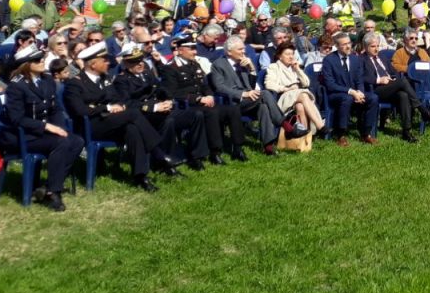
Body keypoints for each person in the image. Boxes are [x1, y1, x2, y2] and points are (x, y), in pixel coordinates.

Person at [63, 42, 178, 191]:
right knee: (133, 113)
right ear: (93, 64)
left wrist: (118, 106)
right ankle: (159, 154)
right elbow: (79, 111)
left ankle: (140, 176)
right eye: (104, 60)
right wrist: (107, 107)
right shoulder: (75, 83)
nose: (108, 62)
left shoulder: (105, 79)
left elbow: (118, 99)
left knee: (132, 129)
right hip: (91, 126)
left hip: (111, 121)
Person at [2, 49, 85, 212]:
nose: (41, 61)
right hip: (24, 135)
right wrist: (47, 127)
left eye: (41, 58)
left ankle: (47, 186)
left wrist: (59, 128)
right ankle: (54, 193)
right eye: (36, 60)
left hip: (43, 133)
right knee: (60, 143)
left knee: (77, 141)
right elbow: (16, 119)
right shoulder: (16, 86)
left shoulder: (47, 80)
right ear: (26, 65)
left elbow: (55, 109)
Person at [159, 34, 241, 164]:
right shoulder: (170, 68)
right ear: (180, 50)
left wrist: (209, 95)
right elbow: (172, 93)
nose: (195, 52)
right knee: (211, 112)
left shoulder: (195, 64)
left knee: (232, 109)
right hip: (186, 105)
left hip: (203, 101)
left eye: (195, 48)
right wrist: (198, 99)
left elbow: (204, 85)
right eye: (191, 49)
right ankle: (215, 151)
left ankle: (237, 147)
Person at [207, 35, 283, 156]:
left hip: (248, 101)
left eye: (244, 48)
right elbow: (220, 87)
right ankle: (284, 123)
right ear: (229, 52)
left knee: (263, 107)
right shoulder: (218, 64)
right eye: (240, 49)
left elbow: (250, 86)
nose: (244, 51)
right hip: (232, 102)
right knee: (265, 93)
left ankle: (268, 146)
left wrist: (251, 68)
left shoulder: (242, 63)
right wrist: (243, 94)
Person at [363, 33, 430, 143]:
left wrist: (393, 78)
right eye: (373, 46)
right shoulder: (361, 60)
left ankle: (406, 132)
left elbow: (394, 71)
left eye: (377, 46)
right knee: (403, 81)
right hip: (375, 89)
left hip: (390, 87)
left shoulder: (382, 57)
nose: (376, 49)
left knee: (403, 95)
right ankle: (422, 110)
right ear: (365, 47)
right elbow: (361, 78)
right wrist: (379, 80)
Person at [320, 33, 378, 146]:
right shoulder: (329, 60)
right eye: (344, 44)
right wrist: (351, 92)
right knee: (347, 99)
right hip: (336, 94)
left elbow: (359, 79)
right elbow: (330, 84)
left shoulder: (355, 58)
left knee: (373, 98)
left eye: (349, 43)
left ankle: (366, 133)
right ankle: (341, 134)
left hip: (355, 92)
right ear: (337, 46)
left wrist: (360, 92)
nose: (348, 46)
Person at [264, 43, 326, 136]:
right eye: (287, 54)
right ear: (280, 56)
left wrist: (298, 70)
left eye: (292, 54)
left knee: (300, 106)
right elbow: (269, 84)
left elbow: (306, 83)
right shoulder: (274, 67)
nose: (291, 57)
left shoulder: (294, 67)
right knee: (304, 95)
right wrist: (286, 89)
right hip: (284, 97)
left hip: (298, 97)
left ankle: (303, 134)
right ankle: (320, 125)